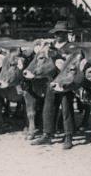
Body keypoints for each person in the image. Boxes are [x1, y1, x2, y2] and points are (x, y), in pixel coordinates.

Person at [31, 20, 77, 149]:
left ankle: (68, 136)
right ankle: (47, 134)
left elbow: (71, 60)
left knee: (67, 108)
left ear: (66, 34)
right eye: (56, 33)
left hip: (65, 82)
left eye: (61, 33)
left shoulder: (72, 47)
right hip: (52, 80)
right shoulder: (51, 46)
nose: (57, 35)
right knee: (49, 107)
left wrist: (57, 54)